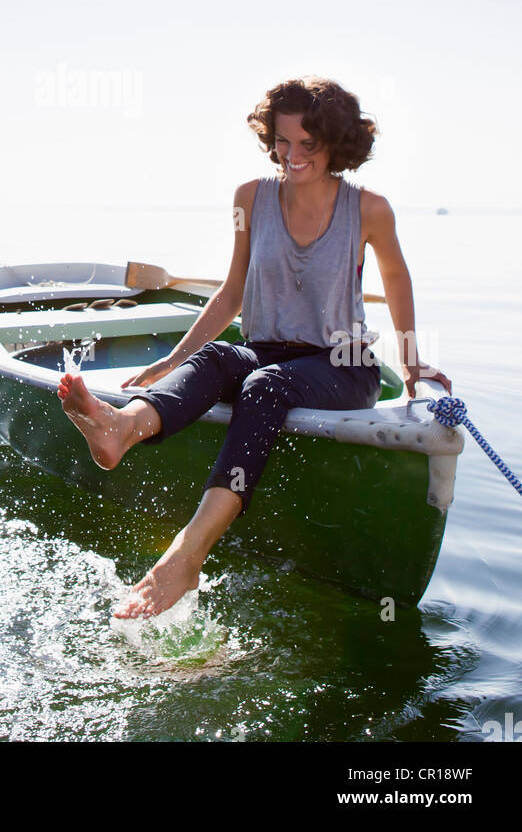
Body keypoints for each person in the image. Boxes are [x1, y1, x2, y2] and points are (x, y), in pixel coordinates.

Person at [57, 75, 452, 619]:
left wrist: (410, 364)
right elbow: (232, 291)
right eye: (283, 142)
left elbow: (399, 282)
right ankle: (121, 428)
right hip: (267, 348)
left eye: (307, 145)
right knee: (218, 359)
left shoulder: (371, 210)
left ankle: (186, 556)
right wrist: (173, 361)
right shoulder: (251, 198)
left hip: (344, 362)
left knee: (264, 386)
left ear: (335, 144)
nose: (291, 156)